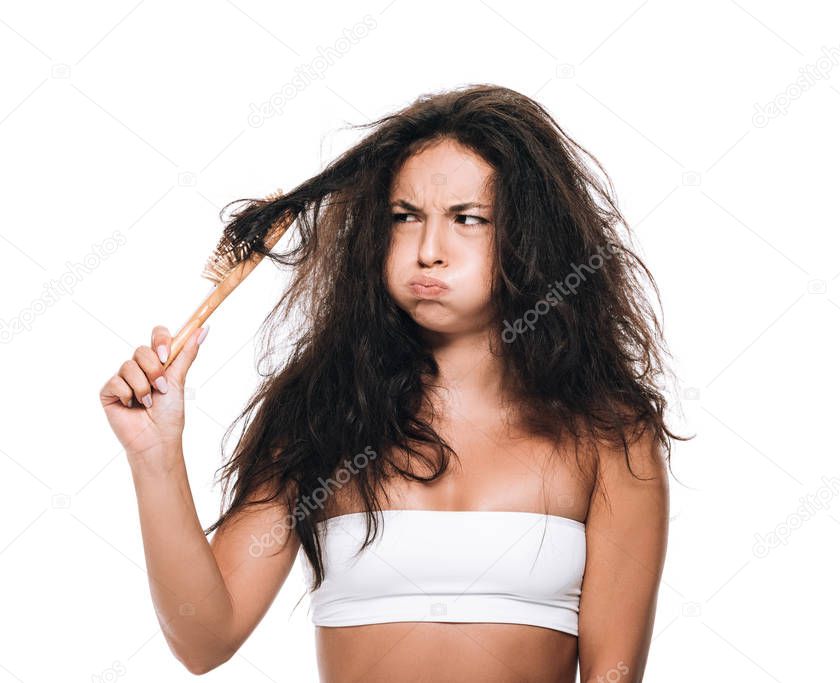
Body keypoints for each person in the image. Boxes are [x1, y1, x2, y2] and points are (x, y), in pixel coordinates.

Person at [99, 83, 687, 682]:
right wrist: (154, 456)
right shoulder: (322, 415)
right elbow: (204, 640)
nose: (428, 250)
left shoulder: (609, 436)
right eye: (406, 218)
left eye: (468, 219)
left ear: (532, 238)